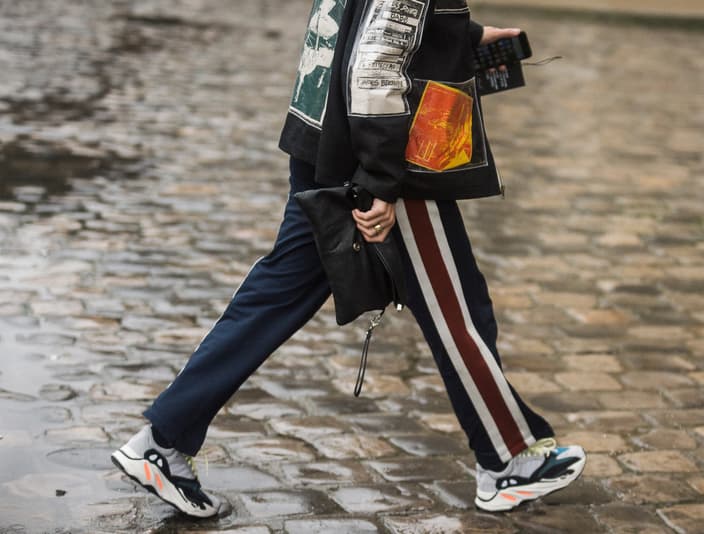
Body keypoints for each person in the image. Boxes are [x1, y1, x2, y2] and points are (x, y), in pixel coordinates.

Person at [111, 0, 586, 518]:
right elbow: (375, 61)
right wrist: (382, 181)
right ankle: (508, 457)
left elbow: (370, 19)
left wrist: (459, 34)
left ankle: (164, 439)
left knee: (275, 296)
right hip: (377, 152)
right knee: (456, 307)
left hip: (324, 133)